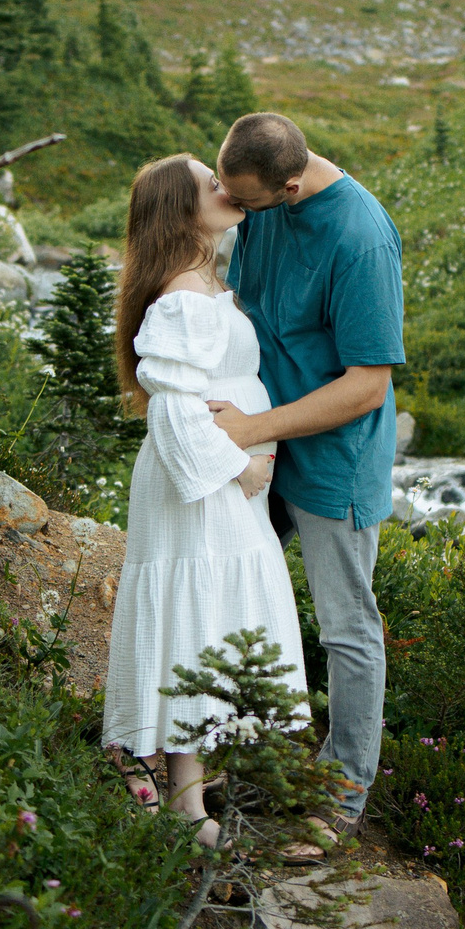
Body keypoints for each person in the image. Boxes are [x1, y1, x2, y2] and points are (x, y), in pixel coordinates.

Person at [100, 153, 309, 849]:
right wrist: (236, 468)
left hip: (224, 478)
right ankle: (183, 803)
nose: (224, 190)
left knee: (205, 618)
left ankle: (188, 801)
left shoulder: (205, 279)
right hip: (205, 482)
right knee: (195, 617)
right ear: (180, 210)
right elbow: (170, 405)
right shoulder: (184, 292)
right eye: (207, 184)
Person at [206, 112, 403, 832]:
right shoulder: (260, 199)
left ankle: (341, 798)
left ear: (289, 185)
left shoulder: (361, 237)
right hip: (260, 448)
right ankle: (226, 753)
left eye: (247, 205)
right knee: (228, 590)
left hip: (329, 461)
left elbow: (367, 385)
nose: (237, 215)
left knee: (347, 629)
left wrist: (254, 428)